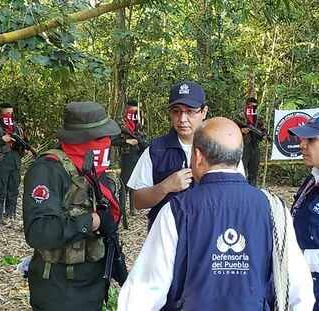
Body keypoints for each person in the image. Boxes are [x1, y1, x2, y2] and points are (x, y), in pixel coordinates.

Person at [118, 117, 314, 311]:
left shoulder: (176, 211)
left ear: (198, 156)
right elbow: (299, 288)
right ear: (238, 156)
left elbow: (142, 293)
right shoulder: (274, 208)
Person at [22, 101, 122, 311]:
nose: (105, 142)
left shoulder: (95, 172)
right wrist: (92, 221)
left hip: (93, 285)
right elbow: (38, 232)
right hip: (60, 290)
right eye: (98, 137)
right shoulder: (49, 170)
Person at [127, 81, 208, 229]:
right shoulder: (156, 150)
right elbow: (137, 201)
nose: (182, 119)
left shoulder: (219, 148)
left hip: (207, 236)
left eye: (190, 111)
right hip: (165, 237)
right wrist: (165, 186)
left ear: (204, 111)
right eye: (176, 111)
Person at [288, 113, 319, 310]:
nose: (302, 145)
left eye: (311, 139)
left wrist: (297, 258)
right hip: (305, 287)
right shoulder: (313, 178)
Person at [0, 103, 32, 226]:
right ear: (0, 114)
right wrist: (2, 140)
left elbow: (24, 141)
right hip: (1, 162)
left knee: (13, 190)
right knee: (0, 189)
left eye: (10, 113)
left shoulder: (17, 127)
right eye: (6, 113)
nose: (8, 115)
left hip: (15, 162)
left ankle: (10, 215)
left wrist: (27, 150)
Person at [112, 100, 148, 216]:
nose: (133, 114)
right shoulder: (120, 124)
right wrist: (127, 141)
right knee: (125, 182)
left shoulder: (138, 123)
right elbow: (112, 141)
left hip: (138, 153)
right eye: (131, 112)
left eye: (135, 112)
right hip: (127, 154)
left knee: (136, 181)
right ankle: (121, 209)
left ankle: (134, 208)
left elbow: (142, 138)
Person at [236, 97, 269, 186]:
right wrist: (241, 130)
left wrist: (265, 135)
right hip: (243, 146)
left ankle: (252, 192)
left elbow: (263, 129)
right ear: (247, 106)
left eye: (255, 107)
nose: (253, 109)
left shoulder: (259, 117)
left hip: (255, 146)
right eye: (251, 106)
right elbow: (231, 129)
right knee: (240, 171)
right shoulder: (240, 116)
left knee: (253, 173)